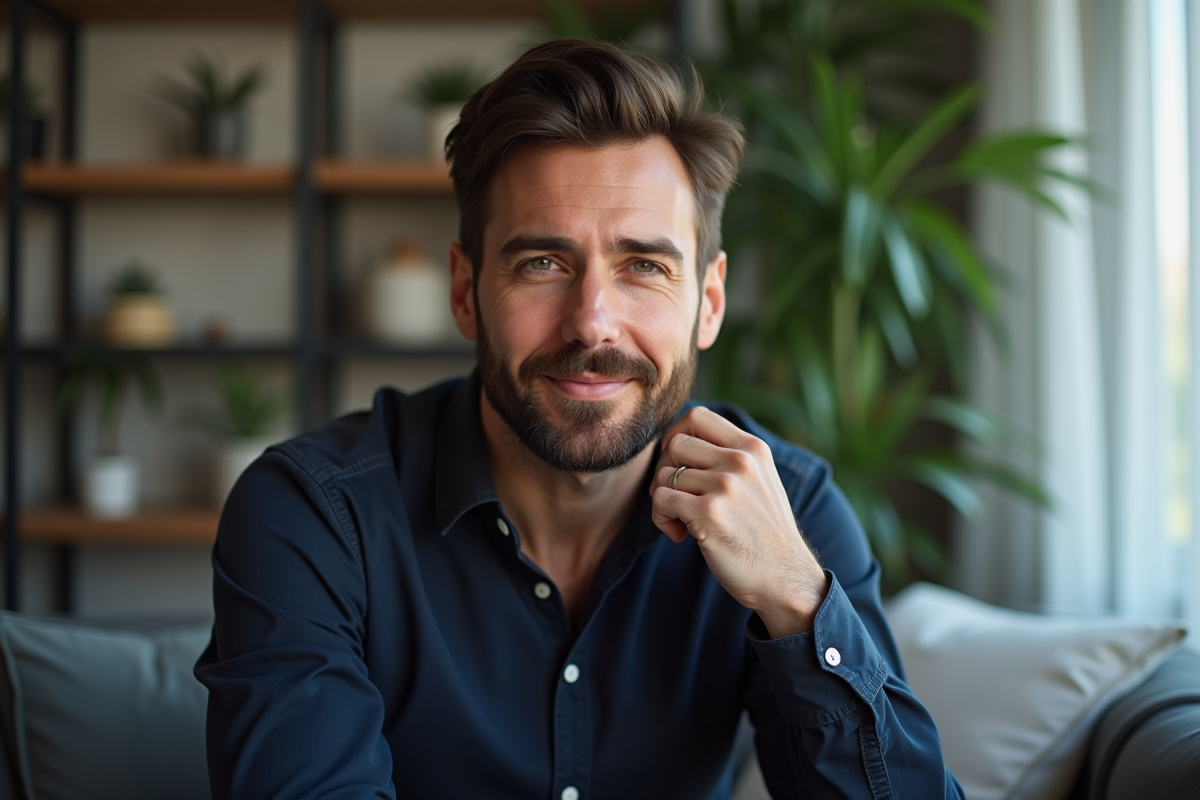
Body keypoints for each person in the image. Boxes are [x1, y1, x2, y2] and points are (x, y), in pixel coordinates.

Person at [196, 38, 963, 800]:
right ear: (465, 292)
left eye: (644, 267)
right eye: (543, 264)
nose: (593, 324)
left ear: (711, 302)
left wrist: (799, 601)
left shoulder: (786, 511)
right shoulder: (313, 514)